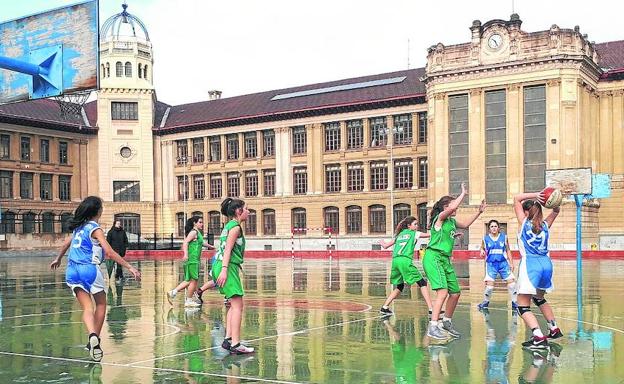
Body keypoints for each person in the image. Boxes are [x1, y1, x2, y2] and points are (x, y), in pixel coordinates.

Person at [49, 196, 141, 362]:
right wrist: (130, 267)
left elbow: (65, 245)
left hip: (72, 270)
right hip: (88, 270)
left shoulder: (78, 228)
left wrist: (58, 259)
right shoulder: (94, 227)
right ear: (98, 211)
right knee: (101, 304)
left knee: (86, 308)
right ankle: (95, 339)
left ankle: (91, 336)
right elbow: (110, 252)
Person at [423, 183, 486, 340]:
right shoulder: (440, 218)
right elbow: (450, 210)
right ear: (446, 206)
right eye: (452, 205)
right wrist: (463, 194)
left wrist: (478, 213)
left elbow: (465, 225)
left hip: (445, 259)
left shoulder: (451, 222)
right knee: (442, 292)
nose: (455, 208)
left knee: (456, 293)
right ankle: (433, 326)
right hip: (434, 257)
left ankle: (447, 322)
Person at [513, 192, 563, 349]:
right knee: (539, 298)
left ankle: (538, 336)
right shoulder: (545, 225)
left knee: (522, 306)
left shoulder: (524, 223)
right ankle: (553, 328)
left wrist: (537, 195)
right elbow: (556, 210)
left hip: (531, 265)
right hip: (546, 265)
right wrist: (554, 201)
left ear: (526, 212)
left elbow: (516, 198)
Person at [213, 197, 254, 354]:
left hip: (224, 265)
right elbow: (228, 250)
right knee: (238, 306)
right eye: (246, 209)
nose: (248, 211)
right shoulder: (235, 227)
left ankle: (229, 339)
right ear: (238, 211)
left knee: (232, 304)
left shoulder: (228, 226)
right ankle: (236, 344)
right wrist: (225, 269)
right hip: (226, 266)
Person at [378, 216, 434, 317]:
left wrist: (381, 241)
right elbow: (430, 235)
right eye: (415, 224)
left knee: (399, 286)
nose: (417, 226)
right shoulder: (414, 234)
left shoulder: (399, 235)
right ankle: (431, 309)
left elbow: (385, 246)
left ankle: (384, 307)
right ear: (409, 226)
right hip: (405, 260)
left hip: (395, 261)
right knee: (422, 283)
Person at [477, 219, 518, 311]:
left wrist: (511, 263)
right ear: (489, 229)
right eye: (492, 226)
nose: (494, 228)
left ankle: (515, 302)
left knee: (512, 284)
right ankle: (486, 302)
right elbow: (482, 248)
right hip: (491, 264)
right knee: (490, 287)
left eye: (495, 226)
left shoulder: (504, 237)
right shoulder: (485, 238)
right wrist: (482, 251)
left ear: (498, 228)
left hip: (503, 263)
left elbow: (508, 250)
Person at [167, 216, 207, 307]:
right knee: (194, 281)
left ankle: (173, 292)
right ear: (194, 223)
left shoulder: (197, 233)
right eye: (200, 222)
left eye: (202, 222)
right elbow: (185, 242)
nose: (202, 224)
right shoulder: (193, 232)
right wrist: (185, 254)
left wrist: (210, 246)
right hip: (192, 260)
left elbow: (201, 243)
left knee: (189, 280)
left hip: (193, 259)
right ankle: (188, 300)